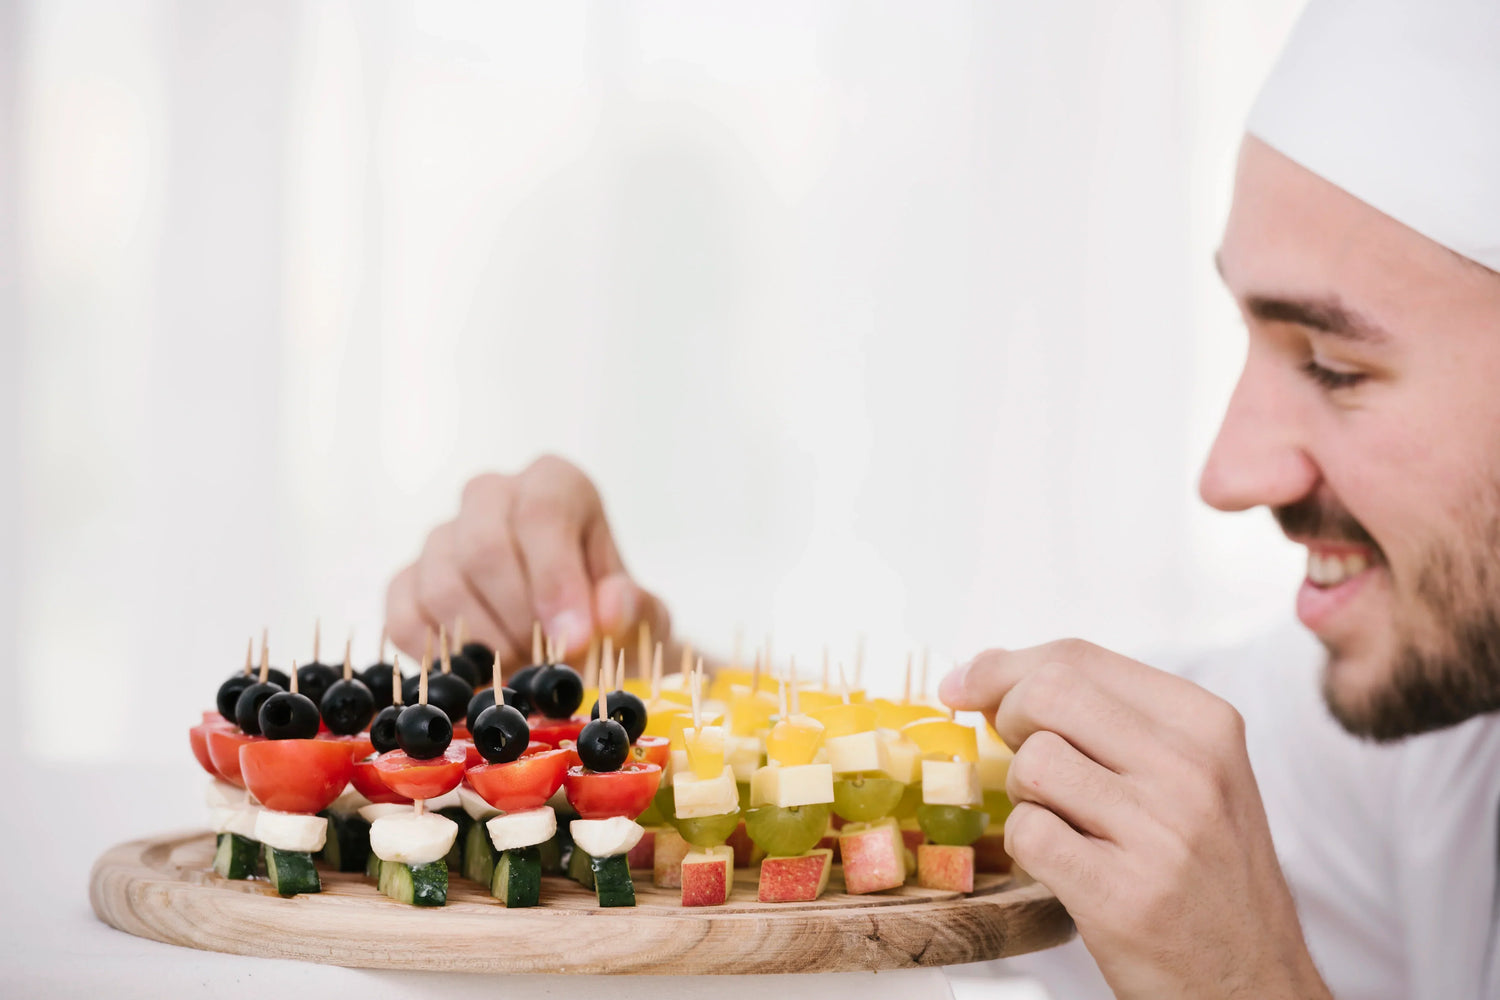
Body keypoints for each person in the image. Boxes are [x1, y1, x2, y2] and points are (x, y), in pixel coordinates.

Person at [384, 1, 1500, 995]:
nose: (1229, 472)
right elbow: (993, 799)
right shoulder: (1427, 724)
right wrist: (649, 693)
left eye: (1337, 367)